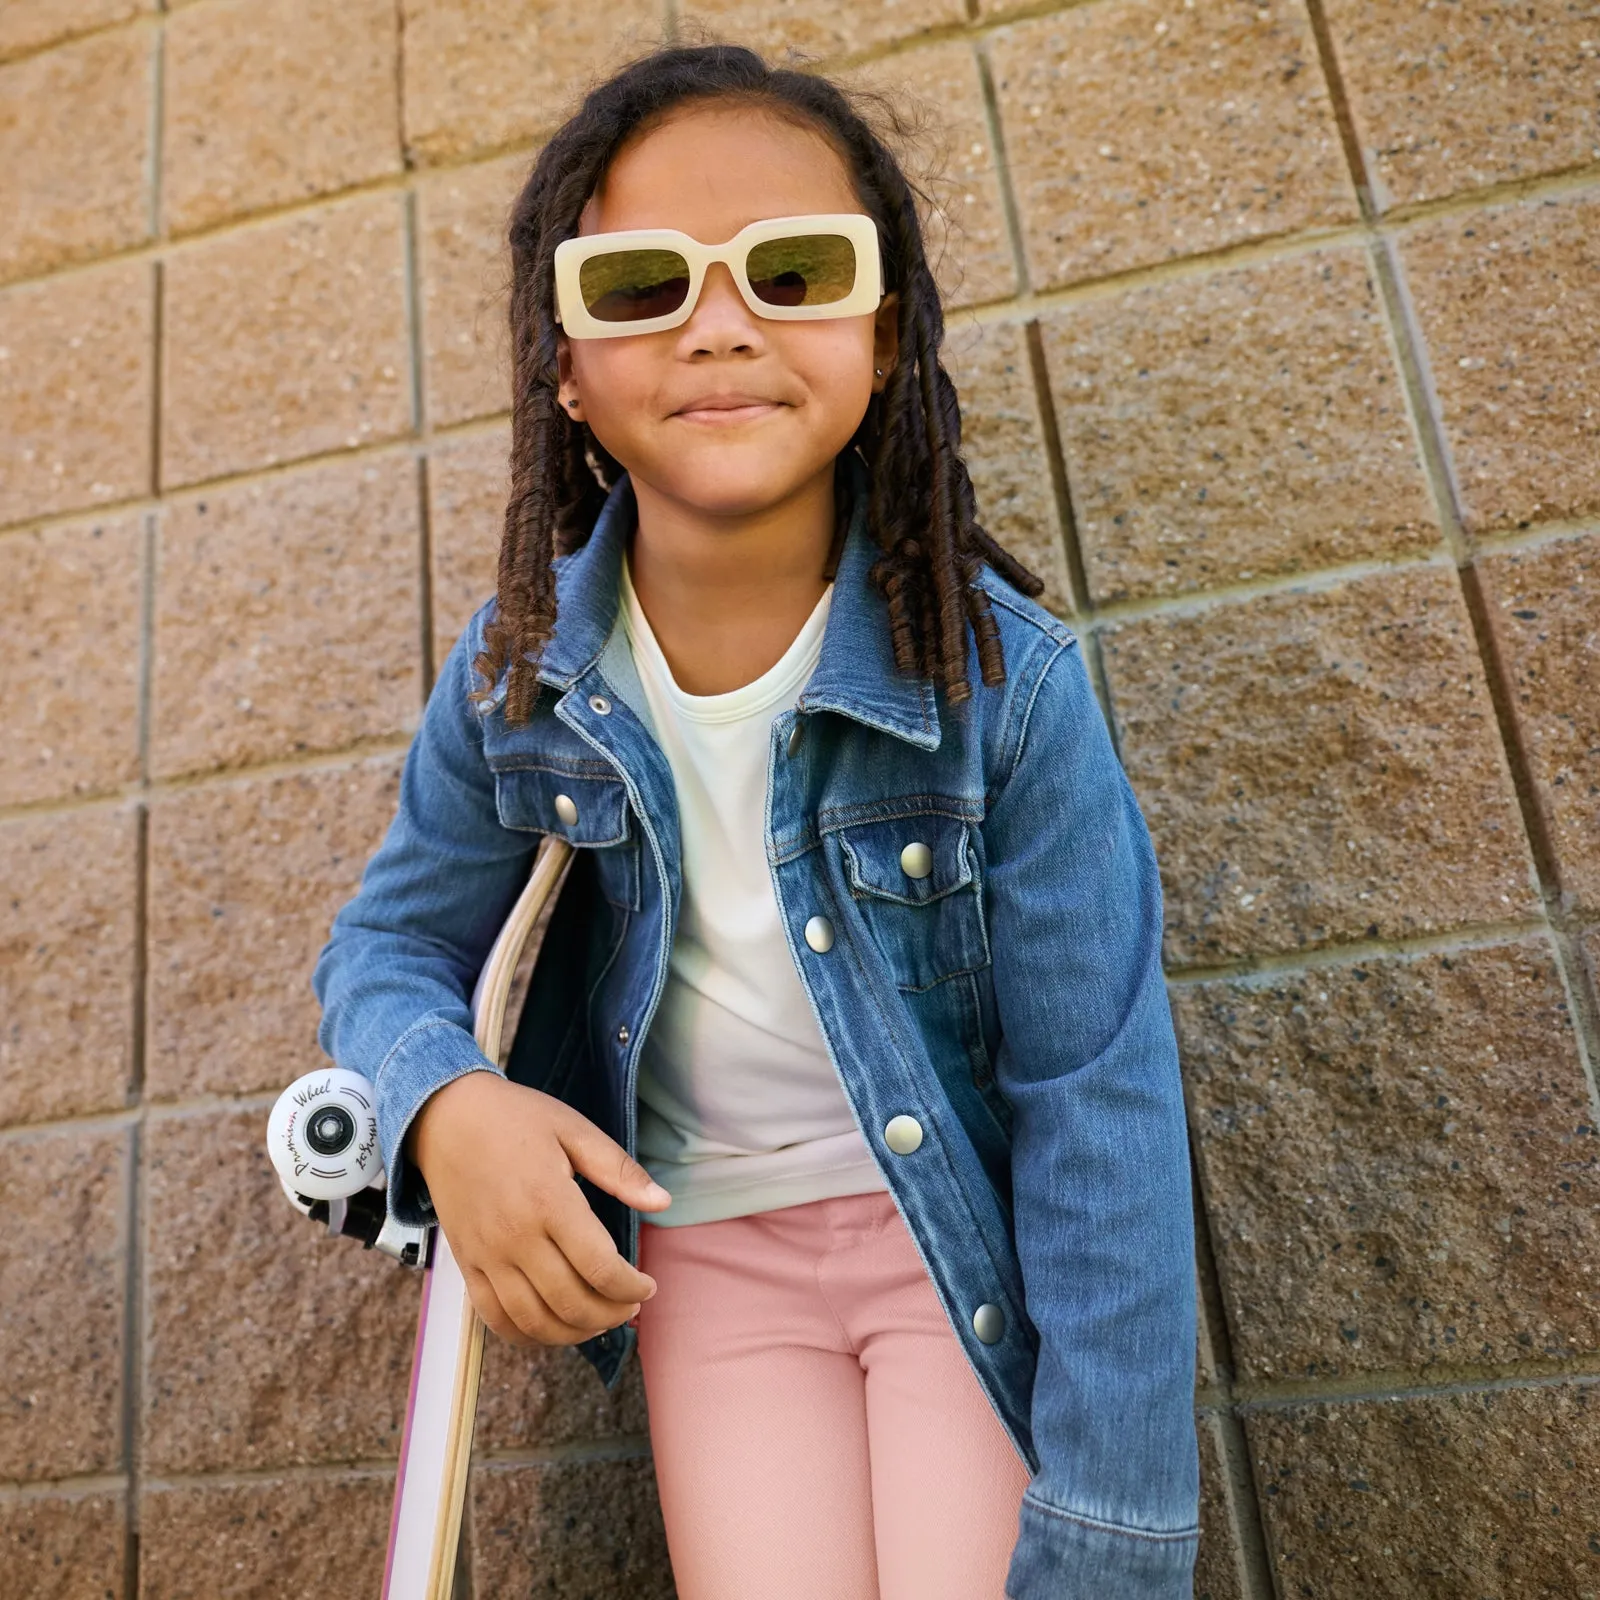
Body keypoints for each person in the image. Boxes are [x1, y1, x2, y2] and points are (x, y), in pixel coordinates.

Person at [311, 39, 1199, 1600]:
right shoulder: (520, 678)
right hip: (706, 1264)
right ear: (563, 362)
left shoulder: (1007, 686)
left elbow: (1098, 1107)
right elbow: (392, 942)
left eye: (793, 270)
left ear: (885, 330)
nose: (722, 324)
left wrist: (1116, 1536)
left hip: (956, 1258)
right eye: (644, 284)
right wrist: (444, 1103)